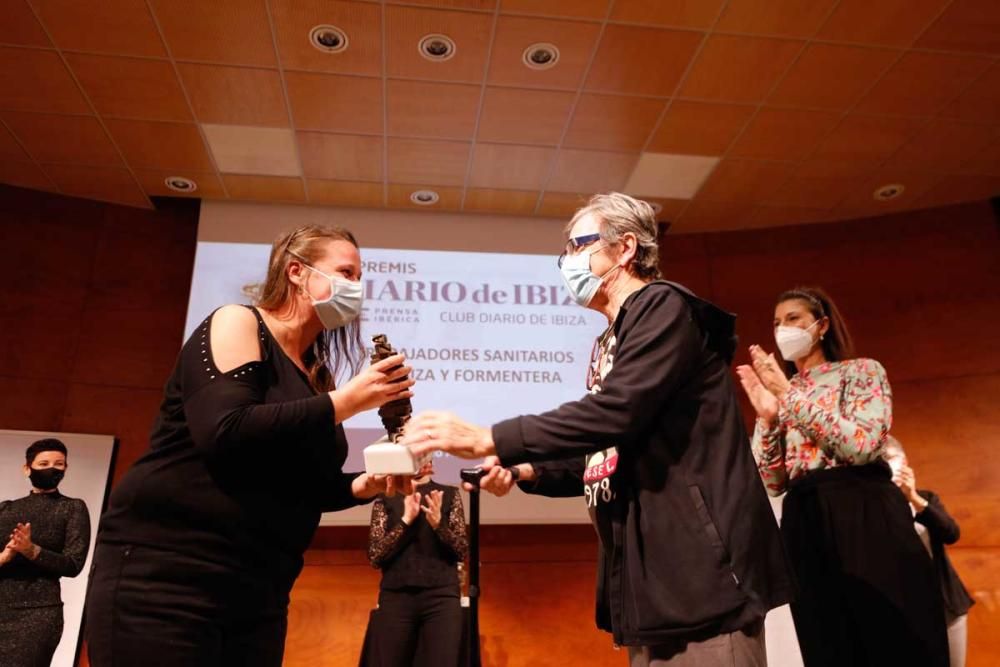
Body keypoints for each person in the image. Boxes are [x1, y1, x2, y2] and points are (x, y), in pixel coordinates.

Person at [401, 192, 793, 666]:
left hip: (702, 580)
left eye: (577, 246)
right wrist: (528, 469)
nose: (567, 262)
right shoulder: (612, 337)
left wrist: (492, 437)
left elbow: (616, 412)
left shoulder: (661, 306)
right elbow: (607, 451)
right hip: (653, 588)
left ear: (625, 248)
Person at [85, 225, 416, 667]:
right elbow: (226, 430)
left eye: (359, 277)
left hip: (260, 591)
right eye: (345, 272)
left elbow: (302, 489)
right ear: (297, 272)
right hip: (169, 578)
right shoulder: (238, 322)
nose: (355, 287)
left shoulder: (314, 375)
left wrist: (363, 486)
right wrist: (347, 402)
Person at [735, 286, 949, 667]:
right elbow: (771, 482)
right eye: (776, 322)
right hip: (805, 519)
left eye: (793, 319)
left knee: (892, 635)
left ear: (822, 326)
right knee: (828, 640)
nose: (782, 329)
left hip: (864, 508)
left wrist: (788, 394)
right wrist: (767, 421)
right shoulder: (783, 392)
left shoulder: (862, 371)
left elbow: (861, 446)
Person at [364, 464, 467, 667]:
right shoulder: (386, 497)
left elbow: (462, 550)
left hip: (442, 597)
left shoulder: (448, 494)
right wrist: (405, 520)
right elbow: (375, 556)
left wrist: (439, 524)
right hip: (396, 598)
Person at [0, 438, 90, 667]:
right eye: (44, 463)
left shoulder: (72, 508)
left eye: (59, 464)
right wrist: (4, 557)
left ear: (66, 468)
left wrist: (32, 551)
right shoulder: (5, 508)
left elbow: (73, 564)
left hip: (38, 614)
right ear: (27, 468)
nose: (52, 468)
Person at [884, 437, 974, 667]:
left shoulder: (927, 499)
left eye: (892, 459)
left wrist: (913, 498)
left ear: (904, 462)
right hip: (908, 612)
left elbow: (951, 533)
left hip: (947, 606)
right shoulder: (878, 509)